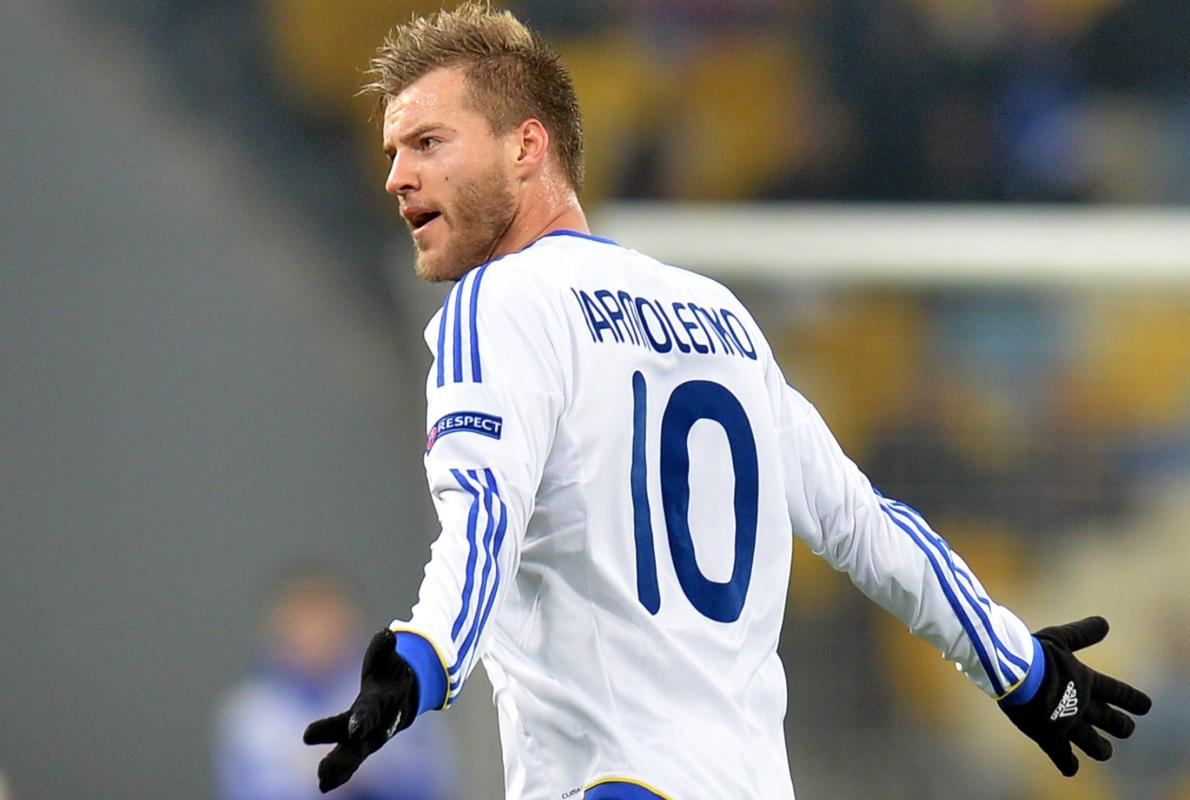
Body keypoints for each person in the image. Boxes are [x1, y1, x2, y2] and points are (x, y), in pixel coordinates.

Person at [297, 4, 1151, 798]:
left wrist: (422, 658)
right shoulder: (720, 318)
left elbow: (485, 512)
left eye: (429, 143)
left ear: (526, 147)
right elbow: (866, 526)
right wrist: (1022, 669)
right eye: (393, 152)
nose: (397, 177)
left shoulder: (501, 302)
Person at [215, 564, 460, 800]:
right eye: (302, 622)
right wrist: (311, 778)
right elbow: (244, 790)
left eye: (324, 620)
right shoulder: (251, 715)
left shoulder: (392, 692)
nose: (314, 634)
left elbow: (434, 780)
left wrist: (372, 775)